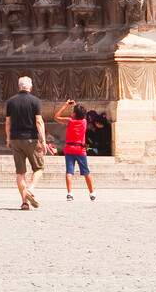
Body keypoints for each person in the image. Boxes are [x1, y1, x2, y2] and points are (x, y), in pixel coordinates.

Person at [6, 75, 46, 210]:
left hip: (15, 139)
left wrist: (8, 138)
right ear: (30, 86)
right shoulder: (35, 101)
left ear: (19, 86)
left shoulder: (11, 102)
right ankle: (31, 189)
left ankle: (24, 202)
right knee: (39, 168)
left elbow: (8, 122)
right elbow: (39, 121)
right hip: (31, 139)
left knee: (20, 172)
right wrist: (43, 141)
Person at [54, 98, 94, 201]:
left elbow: (56, 117)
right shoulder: (84, 122)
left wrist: (66, 105)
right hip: (80, 150)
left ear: (74, 114)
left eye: (73, 112)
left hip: (69, 149)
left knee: (69, 172)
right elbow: (81, 115)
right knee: (86, 172)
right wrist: (76, 107)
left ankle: (70, 193)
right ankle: (92, 193)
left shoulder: (70, 121)